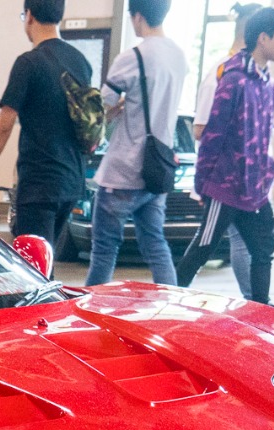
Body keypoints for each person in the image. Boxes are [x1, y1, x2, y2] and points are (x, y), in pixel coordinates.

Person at [174, 6, 274, 305]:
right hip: (225, 187)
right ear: (263, 38)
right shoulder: (233, 78)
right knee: (204, 246)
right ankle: (168, 301)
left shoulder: (268, 83)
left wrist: (266, 177)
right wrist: (202, 185)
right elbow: (213, 135)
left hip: (255, 189)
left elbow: (264, 136)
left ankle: (262, 310)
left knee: (264, 248)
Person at [0, 0, 92, 249]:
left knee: (33, 266)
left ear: (29, 16)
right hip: (71, 181)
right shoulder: (80, 61)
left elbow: (4, 124)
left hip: (39, 184)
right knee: (45, 260)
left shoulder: (29, 63)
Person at [84, 0, 187, 286]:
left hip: (123, 171)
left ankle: (89, 315)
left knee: (104, 250)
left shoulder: (134, 57)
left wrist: (116, 108)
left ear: (138, 17)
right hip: (157, 171)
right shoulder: (179, 57)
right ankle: (170, 304)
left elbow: (100, 106)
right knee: (156, 245)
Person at [192, 2, 262, 298]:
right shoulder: (222, 72)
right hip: (223, 181)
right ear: (259, 35)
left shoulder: (259, 77)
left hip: (247, 181)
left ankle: (260, 304)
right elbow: (200, 128)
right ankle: (259, 305)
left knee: (249, 244)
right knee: (206, 247)